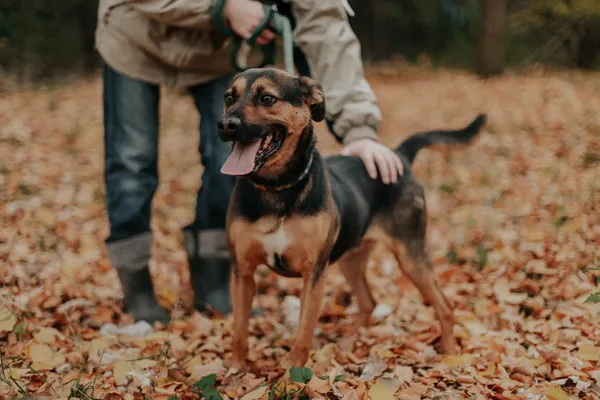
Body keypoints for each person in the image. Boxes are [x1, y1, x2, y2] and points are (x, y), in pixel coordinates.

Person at [95, 0, 404, 323]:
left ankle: (214, 283)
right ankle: (136, 288)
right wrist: (218, 7)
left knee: (228, 161)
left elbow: (324, 20)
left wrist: (359, 129)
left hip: (224, 49)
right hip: (135, 36)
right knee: (132, 160)